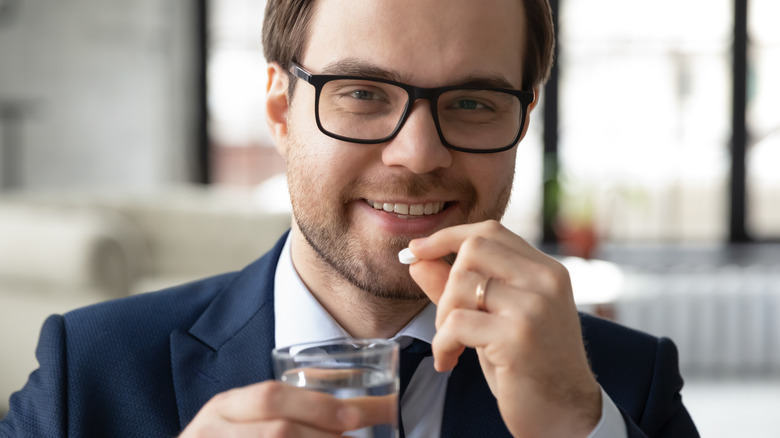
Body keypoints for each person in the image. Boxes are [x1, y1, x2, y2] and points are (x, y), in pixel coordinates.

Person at [1, 0, 699, 437]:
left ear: (523, 119)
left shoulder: (620, 384)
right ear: (280, 109)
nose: (418, 154)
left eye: (474, 102)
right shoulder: (88, 372)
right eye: (363, 93)